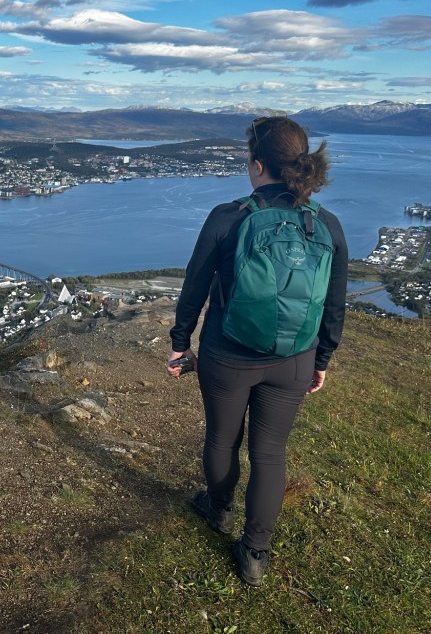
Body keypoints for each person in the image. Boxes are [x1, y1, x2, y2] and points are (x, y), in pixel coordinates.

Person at [167, 116, 347, 587]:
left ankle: (219, 508)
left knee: (222, 439)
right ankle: (255, 552)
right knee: (270, 452)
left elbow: (195, 286)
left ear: (257, 164)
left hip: (227, 355)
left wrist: (180, 342)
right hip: (294, 359)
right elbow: (333, 302)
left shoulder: (229, 216)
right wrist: (321, 359)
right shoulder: (326, 225)